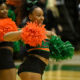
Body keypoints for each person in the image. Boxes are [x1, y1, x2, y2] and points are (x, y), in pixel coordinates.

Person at [4, 6, 56, 80]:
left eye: (42, 15)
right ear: (30, 17)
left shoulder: (47, 33)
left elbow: (59, 45)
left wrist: (53, 36)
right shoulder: (27, 31)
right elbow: (6, 36)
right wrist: (24, 31)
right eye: (38, 15)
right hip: (31, 68)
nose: (42, 18)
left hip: (39, 69)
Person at [0, 2, 16, 80]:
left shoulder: (10, 22)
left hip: (9, 56)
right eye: (2, 9)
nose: (5, 11)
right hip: (4, 56)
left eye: (6, 9)